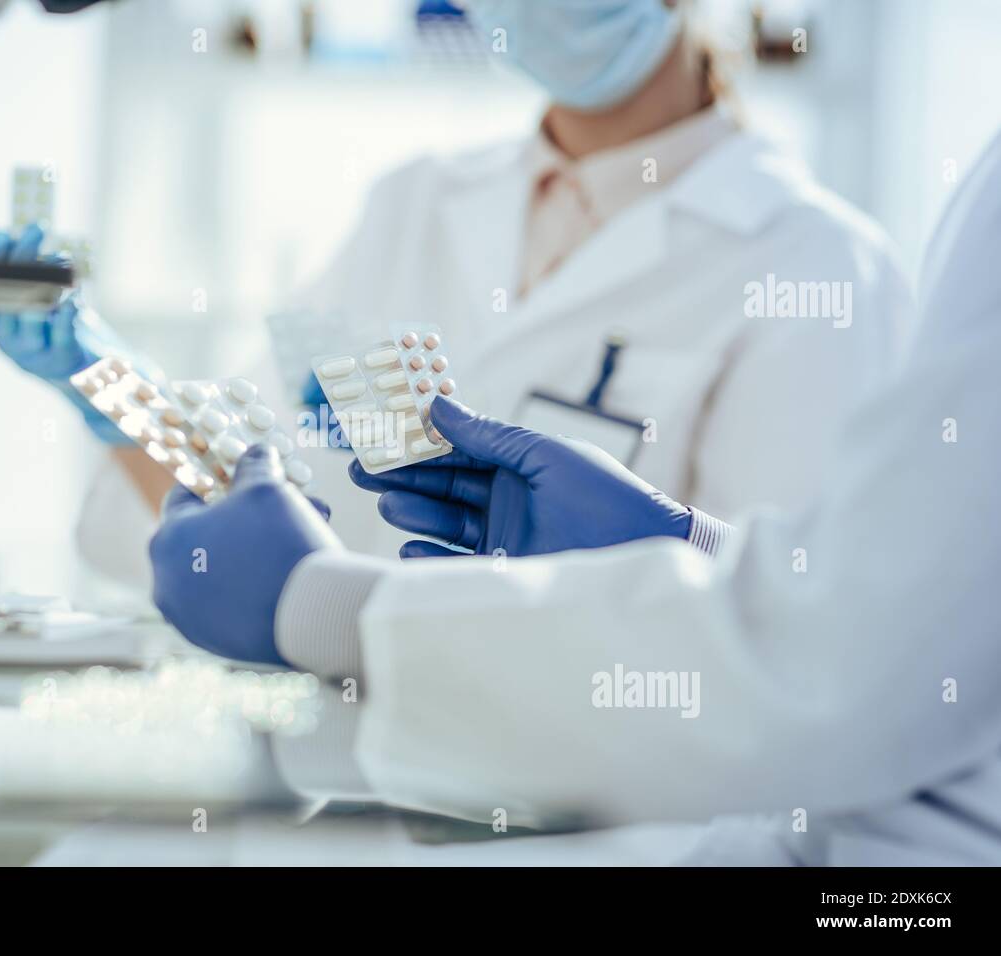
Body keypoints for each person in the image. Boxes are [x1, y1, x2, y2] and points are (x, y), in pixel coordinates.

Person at [148, 128, 1001, 866]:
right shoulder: (416, 194)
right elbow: (900, 604)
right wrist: (691, 547)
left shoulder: (819, 253)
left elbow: (848, 674)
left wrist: (328, 609)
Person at [0, 0, 912, 581]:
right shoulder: (415, 201)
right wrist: (111, 389)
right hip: (347, 793)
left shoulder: (818, 266)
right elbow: (230, 499)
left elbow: (798, 644)